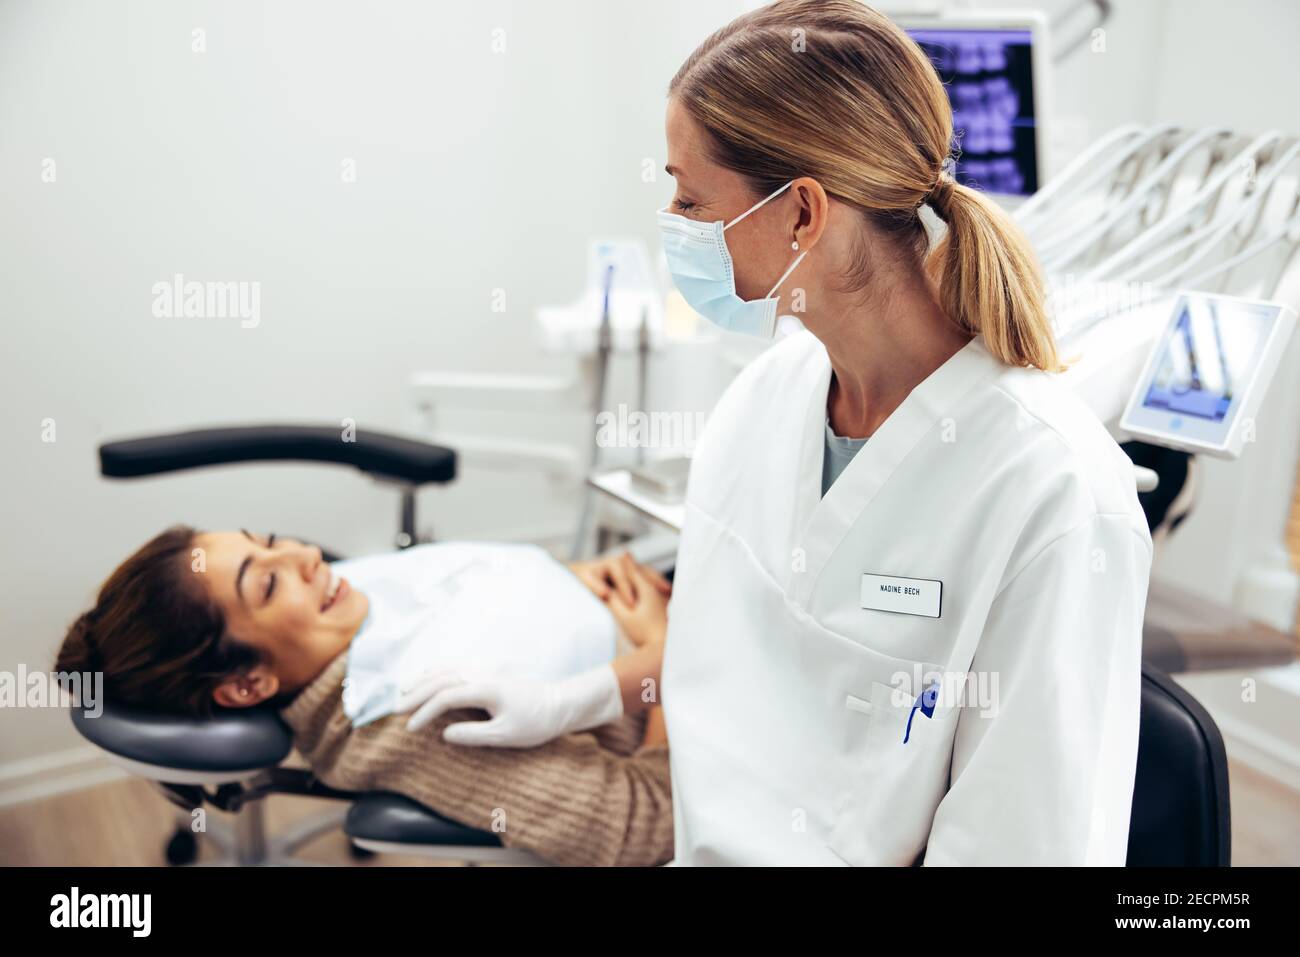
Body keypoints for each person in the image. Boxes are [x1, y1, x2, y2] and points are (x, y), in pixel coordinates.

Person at [409, 0, 1153, 866]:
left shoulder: (1054, 495)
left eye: (690, 197)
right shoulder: (767, 397)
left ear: (802, 214)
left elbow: (1026, 842)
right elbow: (731, 646)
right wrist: (574, 698)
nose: (675, 223)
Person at [55, 526, 675, 866]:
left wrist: (574, 581)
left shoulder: (355, 604)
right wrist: (667, 649)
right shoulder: (416, 715)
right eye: (269, 582)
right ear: (248, 683)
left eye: (268, 541)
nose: (304, 553)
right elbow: (648, 827)